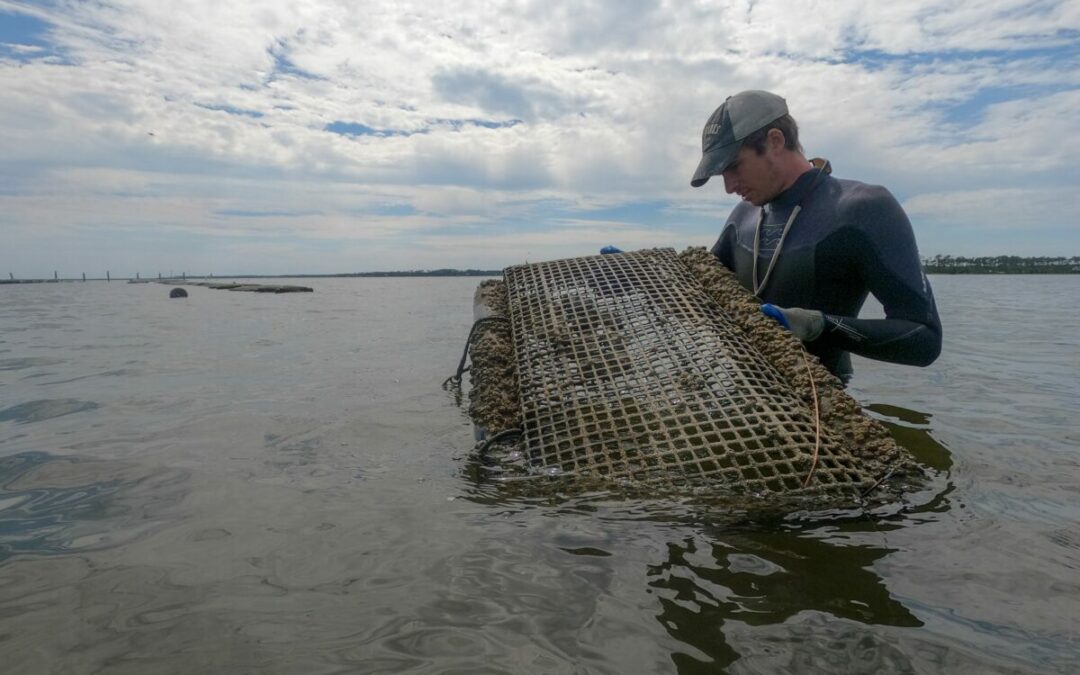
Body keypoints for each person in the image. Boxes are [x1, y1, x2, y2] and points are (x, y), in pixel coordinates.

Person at [690, 90, 941, 382]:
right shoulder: (741, 218)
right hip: (745, 391)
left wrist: (821, 325)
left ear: (775, 141)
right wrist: (632, 275)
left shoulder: (863, 208)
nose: (729, 187)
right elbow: (693, 298)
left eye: (733, 166)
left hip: (819, 403)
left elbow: (925, 340)